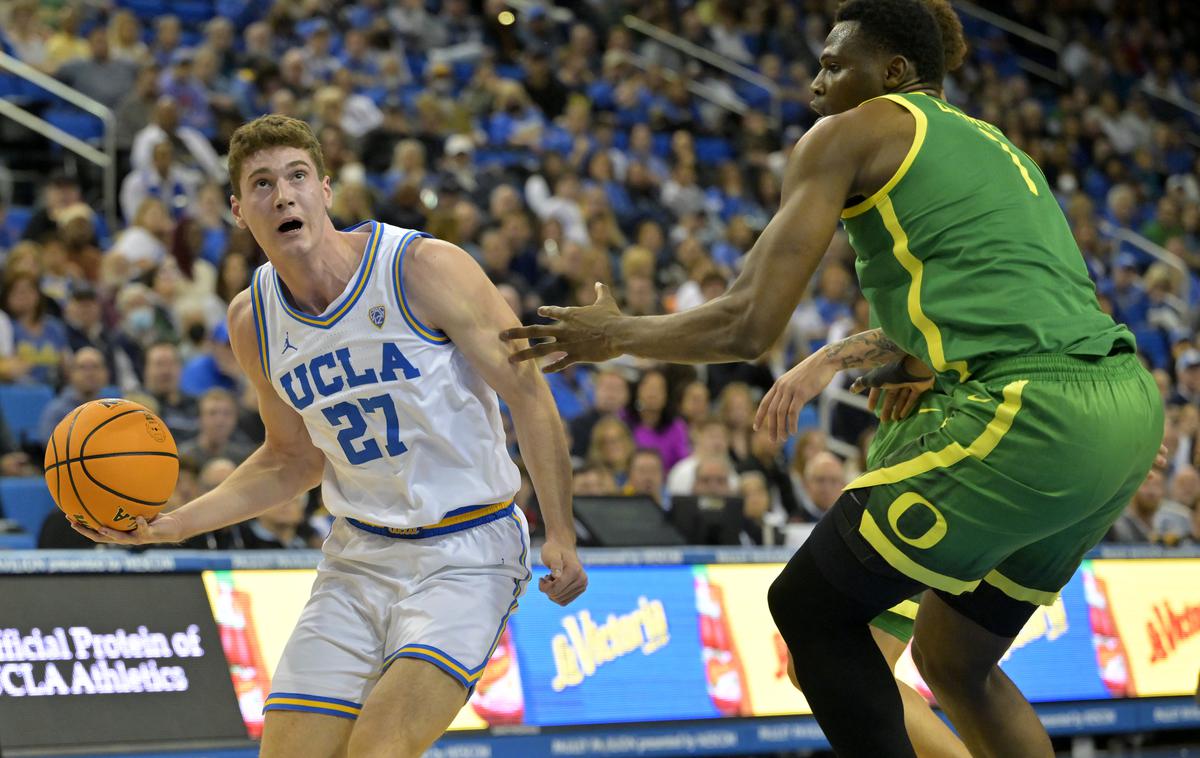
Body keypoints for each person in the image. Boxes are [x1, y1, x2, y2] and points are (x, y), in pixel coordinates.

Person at [502, 1, 1162, 755]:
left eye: (831, 65)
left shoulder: (854, 131)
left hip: (1029, 412)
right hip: (1124, 409)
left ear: (893, 73)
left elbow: (748, 324)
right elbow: (1014, 300)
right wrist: (899, 358)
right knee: (956, 662)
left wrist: (617, 335)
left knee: (811, 609)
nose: (815, 82)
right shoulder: (996, 147)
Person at [73, 114, 586, 758]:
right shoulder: (252, 317)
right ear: (238, 210)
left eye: (296, 176)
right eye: (261, 184)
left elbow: (529, 396)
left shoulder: (422, 267)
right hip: (356, 557)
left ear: (325, 191)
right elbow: (291, 459)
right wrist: (171, 525)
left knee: (377, 748)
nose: (282, 194)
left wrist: (560, 531)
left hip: (466, 551)